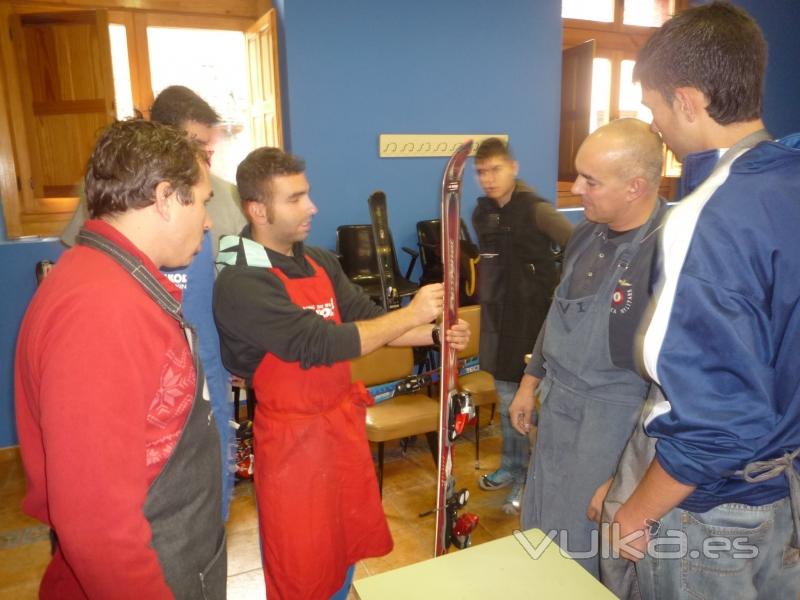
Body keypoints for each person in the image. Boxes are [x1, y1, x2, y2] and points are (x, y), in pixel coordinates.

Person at [603, 4, 800, 598]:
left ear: (687, 101)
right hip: (784, 491)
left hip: (714, 508)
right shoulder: (787, 179)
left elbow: (718, 420)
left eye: (655, 105)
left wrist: (634, 511)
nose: (654, 122)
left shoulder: (704, 216)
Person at [213, 147, 470, 600]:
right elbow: (321, 343)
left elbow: (368, 320)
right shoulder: (242, 280)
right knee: (302, 564)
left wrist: (433, 336)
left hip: (340, 434)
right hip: (294, 448)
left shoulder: (319, 261)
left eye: (306, 194)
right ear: (257, 209)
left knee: (345, 545)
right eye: (295, 199)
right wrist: (411, 314)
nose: (311, 207)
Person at [15, 120, 226, 599]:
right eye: (206, 201)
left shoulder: (115, 281)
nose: (209, 221)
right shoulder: (100, 309)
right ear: (166, 198)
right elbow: (97, 526)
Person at [61, 85, 247, 519]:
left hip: (207, 368)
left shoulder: (228, 199)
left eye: (210, 146)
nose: (206, 158)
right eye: (195, 145)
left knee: (212, 494)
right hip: (139, 377)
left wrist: (239, 348)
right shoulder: (114, 198)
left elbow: (237, 287)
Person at [509, 118, 668, 578]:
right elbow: (559, 312)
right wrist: (529, 381)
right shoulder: (585, 233)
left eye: (590, 180)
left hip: (614, 424)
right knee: (540, 535)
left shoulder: (667, 252)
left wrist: (626, 476)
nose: (576, 188)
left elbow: (669, 388)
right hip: (558, 406)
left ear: (635, 186)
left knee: (586, 558)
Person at [471, 137, 572, 511]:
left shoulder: (536, 210)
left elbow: (576, 243)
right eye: (481, 172)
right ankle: (511, 468)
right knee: (507, 399)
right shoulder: (483, 214)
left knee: (533, 408)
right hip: (500, 321)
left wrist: (561, 292)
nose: (488, 179)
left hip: (534, 322)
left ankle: (531, 479)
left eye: (495, 169)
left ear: (512, 167)